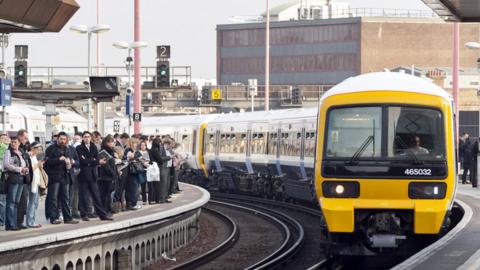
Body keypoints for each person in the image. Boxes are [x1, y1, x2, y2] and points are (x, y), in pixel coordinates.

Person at [76, 131, 113, 221]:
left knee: (96, 196)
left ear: (91, 138)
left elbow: (95, 158)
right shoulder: (79, 148)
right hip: (83, 175)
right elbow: (82, 161)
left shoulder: (94, 147)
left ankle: (102, 215)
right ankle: (83, 214)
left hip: (93, 175)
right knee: (83, 196)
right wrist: (93, 161)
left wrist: (91, 161)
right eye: (85, 137)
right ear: (82, 138)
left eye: (88, 136)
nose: (87, 138)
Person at [44, 132, 79, 225]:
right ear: (57, 139)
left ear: (67, 139)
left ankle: (68, 217)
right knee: (53, 198)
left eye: (64, 139)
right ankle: (54, 218)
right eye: (61, 139)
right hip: (54, 177)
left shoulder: (71, 149)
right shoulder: (51, 149)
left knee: (66, 198)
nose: (62, 141)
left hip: (66, 176)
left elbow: (77, 161)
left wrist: (72, 162)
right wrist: (58, 159)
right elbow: (47, 162)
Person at [3, 137, 29, 230]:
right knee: (11, 201)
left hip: (21, 178)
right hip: (13, 178)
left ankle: (15, 223)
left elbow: (24, 163)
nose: (13, 144)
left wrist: (26, 168)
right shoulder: (8, 152)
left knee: (17, 202)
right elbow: (6, 165)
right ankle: (10, 224)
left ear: (19, 143)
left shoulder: (21, 152)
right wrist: (19, 169)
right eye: (12, 142)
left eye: (15, 142)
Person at [98, 135, 119, 215]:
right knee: (105, 195)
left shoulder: (111, 151)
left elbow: (112, 164)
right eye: (112, 142)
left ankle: (108, 209)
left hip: (111, 176)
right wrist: (113, 173)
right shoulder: (103, 151)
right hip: (105, 177)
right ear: (107, 142)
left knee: (109, 194)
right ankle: (104, 211)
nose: (113, 144)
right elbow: (105, 166)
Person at [17, 129, 32, 229]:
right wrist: (27, 154)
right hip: (18, 178)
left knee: (23, 200)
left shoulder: (23, 147)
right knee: (17, 201)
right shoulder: (16, 148)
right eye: (25, 137)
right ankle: (17, 222)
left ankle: (20, 221)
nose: (26, 140)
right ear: (20, 136)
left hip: (25, 178)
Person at [26, 142, 43, 228]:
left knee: (35, 203)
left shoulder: (34, 157)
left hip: (36, 182)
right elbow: (29, 169)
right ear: (32, 148)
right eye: (38, 148)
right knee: (32, 203)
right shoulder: (29, 156)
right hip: (32, 182)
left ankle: (32, 220)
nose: (39, 150)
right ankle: (30, 222)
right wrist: (38, 165)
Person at [150, 137, 171, 203]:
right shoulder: (155, 149)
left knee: (163, 184)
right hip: (158, 167)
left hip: (160, 167)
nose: (160, 144)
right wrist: (169, 157)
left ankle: (162, 198)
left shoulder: (156, 149)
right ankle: (160, 198)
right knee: (161, 184)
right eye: (160, 142)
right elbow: (160, 159)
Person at [124, 138, 142, 210]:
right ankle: (132, 204)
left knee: (133, 188)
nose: (136, 144)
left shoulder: (135, 151)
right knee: (132, 188)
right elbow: (129, 158)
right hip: (131, 171)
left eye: (136, 143)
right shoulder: (128, 150)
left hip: (135, 171)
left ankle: (130, 204)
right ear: (131, 143)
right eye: (134, 143)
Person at [0, 134, 9, 227]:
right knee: (4, 199)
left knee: (2, 200)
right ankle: (3, 220)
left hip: (3, 177)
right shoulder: (7, 149)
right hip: (5, 176)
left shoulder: (5, 148)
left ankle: (2, 220)